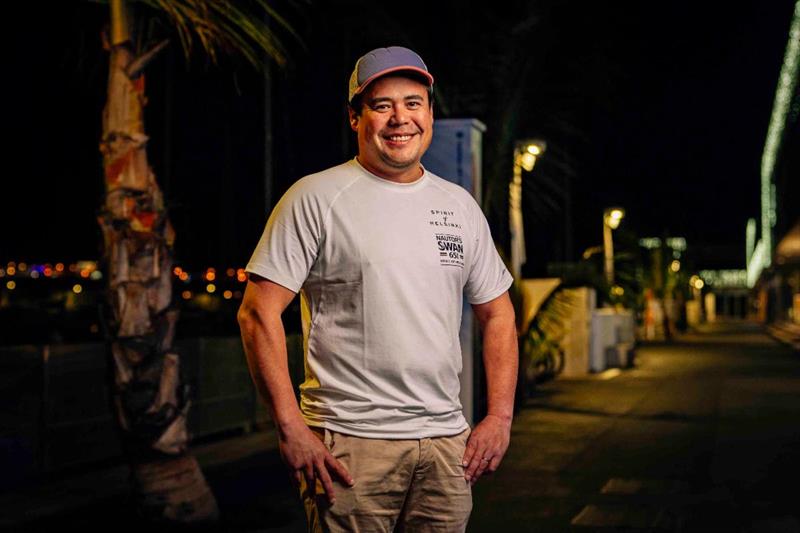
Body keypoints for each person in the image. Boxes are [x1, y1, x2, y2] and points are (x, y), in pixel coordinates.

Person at [238, 46, 518, 532]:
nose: (399, 118)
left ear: (429, 114)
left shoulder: (459, 206)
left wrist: (499, 418)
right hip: (351, 444)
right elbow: (257, 314)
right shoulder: (315, 197)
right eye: (381, 105)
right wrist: (290, 429)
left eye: (413, 103)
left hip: (446, 442)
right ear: (355, 117)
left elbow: (498, 314)